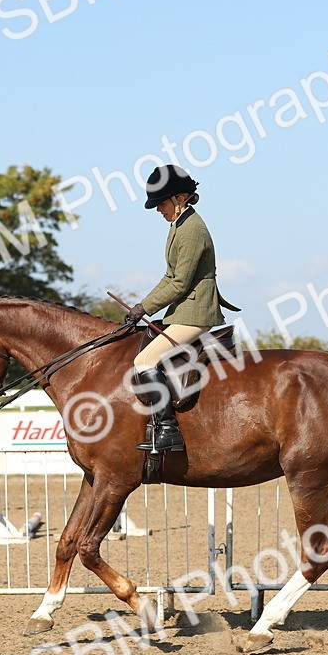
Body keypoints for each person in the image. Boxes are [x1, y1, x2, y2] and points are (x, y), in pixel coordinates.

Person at [122, 165, 240, 454]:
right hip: (183, 309)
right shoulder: (178, 225)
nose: (158, 210)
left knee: (145, 361)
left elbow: (179, 284)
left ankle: (168, 430)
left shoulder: (192, 231)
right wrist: (141, 307)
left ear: (180, 198)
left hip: (196, 312)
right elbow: (168, 277)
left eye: (161, 203)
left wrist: (145, 307)